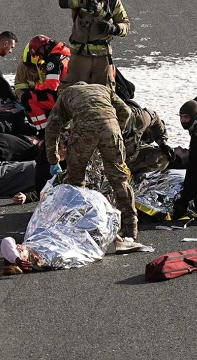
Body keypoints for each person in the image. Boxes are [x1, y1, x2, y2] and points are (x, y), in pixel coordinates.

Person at [45, 80, 138, 248]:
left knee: (76, 181)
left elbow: (52, 128)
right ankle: (130, 232)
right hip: (111, 127)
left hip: (84, 129)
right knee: (119, 179)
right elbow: (125, 111)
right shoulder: (103, 88)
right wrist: (116, 131)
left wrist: (53, 160)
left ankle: (79, 228)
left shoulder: (67, 93)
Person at [58, 0, 129, 87]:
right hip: (80, 54)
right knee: (72, 90)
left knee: (106, 92)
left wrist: (112, 28)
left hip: (103, 56)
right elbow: (63, 1)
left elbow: (125, 25)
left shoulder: (113, 1)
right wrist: (82, 1)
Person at [12, 35, 70, 133]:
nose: (40, 57)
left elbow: (52, 85)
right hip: (72, 93)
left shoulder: (53, 60)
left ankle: (44, 131)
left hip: (63, 97)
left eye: (39, 54)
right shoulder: (65, 52)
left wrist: (38, 87)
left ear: (43, 47)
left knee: (28, 98)